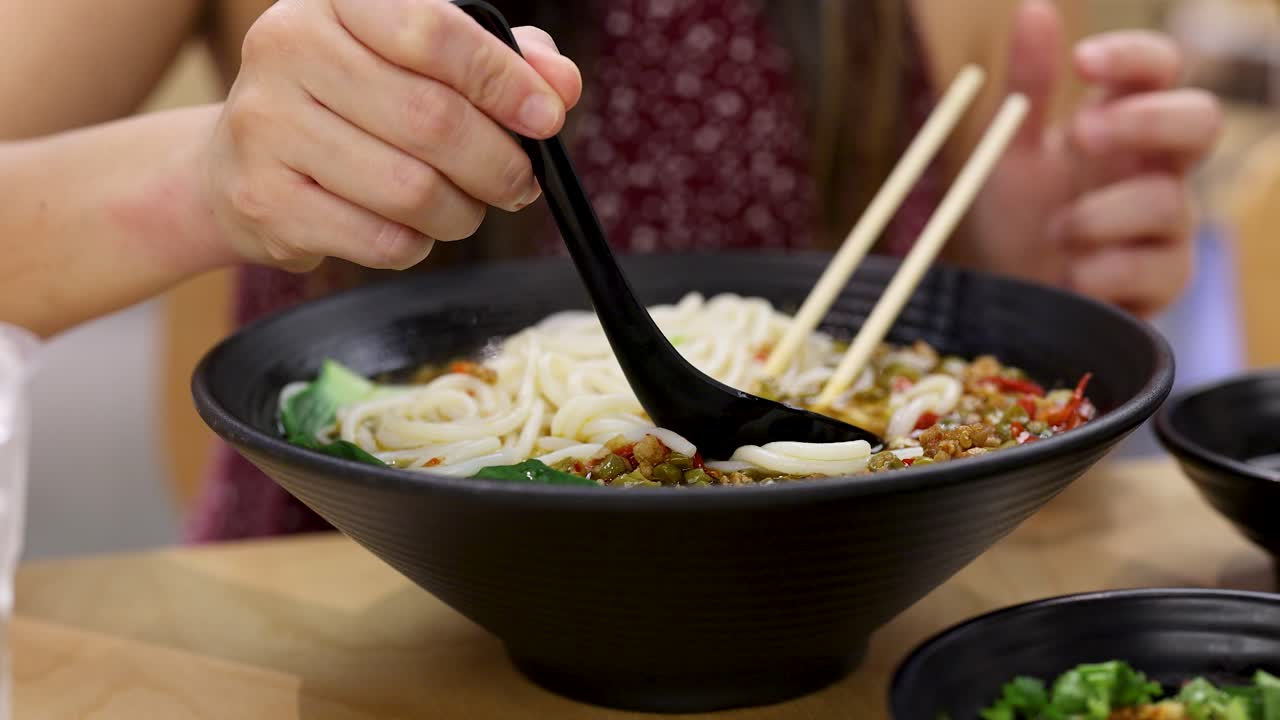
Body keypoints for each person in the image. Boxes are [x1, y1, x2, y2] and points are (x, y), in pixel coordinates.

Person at [0, 0, 1222, 539]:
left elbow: (910, 296)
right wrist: (208, 176)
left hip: (831, 615)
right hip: (347, 616)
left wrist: (1012, 267)